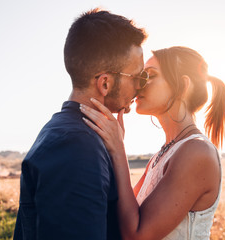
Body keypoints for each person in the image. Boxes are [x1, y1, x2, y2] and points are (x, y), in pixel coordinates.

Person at [13, 8, 147, 239]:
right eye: (137, 77)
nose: (140, 87)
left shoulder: (72, 132)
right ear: (104, 84)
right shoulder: (76, 146)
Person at [81, 46, 225, 239]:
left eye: (150, 76)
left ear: (183, 86)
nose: (139, 84)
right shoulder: (163, 155)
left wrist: (118, 149)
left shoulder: (197, 151)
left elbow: (136, 235)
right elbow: (125, 215)